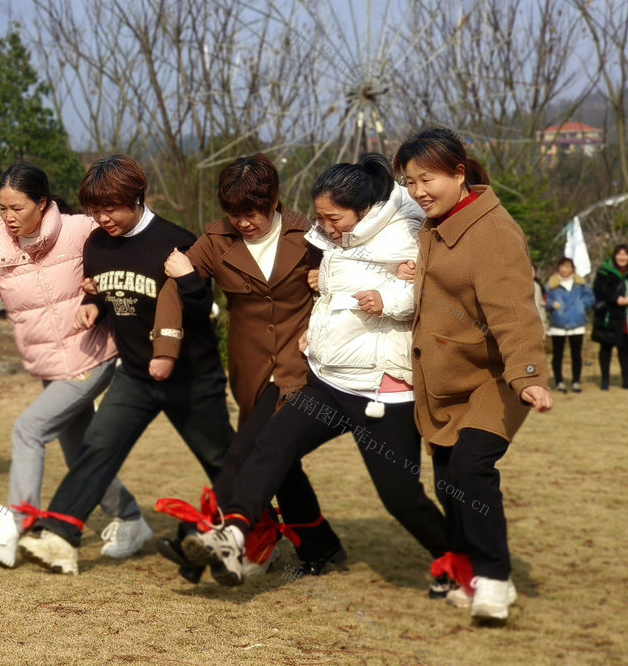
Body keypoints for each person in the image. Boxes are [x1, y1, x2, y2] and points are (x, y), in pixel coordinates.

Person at [176, 154, 450, 591]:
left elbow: (435, 294)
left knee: (400, 497)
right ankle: (235, 532)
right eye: (319, 214)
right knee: (270, 447)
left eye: (332, 216)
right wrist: (317, 317)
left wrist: (394, 297)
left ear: (364, 212)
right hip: (328, 380)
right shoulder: (333, 240)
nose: (322, 224)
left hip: (382, 390)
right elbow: (333, 291)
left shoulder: (409, 238)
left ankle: (457, 560)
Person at [16, 154, 233, 575]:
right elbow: (107, 289)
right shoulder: (96, 244)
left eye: (111, 207)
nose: (102, 218)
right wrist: (92, 304)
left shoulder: (176, 241)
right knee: (98, 446)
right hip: (134, 374)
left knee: (221, 458)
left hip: (192, 377)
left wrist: (188, 278)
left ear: (137, 198)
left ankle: (258, 534)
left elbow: (204, 306)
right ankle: (60, 536)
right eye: (94, 209)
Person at [0, 163, 151, 567]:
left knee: (28, 430)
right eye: (2, 209)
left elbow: (128, 252)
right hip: (50, 367)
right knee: (80, 453)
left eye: (17, 207)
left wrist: (102, 295)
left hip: (92, 355)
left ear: (43, 203)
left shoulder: (80, 230)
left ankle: (15, 522)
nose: (9, 217)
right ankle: (130, 517)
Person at [155, 153, 344, 582]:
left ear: (274, 199)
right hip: (250, 369)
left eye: (253, 212)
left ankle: (206, 539)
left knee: (247, 454)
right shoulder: (215, 240)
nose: (244, 222)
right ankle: (319, 544)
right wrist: (166, 346)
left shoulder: (312, 236)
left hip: (302, 367)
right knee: (279, 459)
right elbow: (173, 289)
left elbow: (345, 280)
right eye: (235, 213)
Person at [393, 127, 552, 622]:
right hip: (446, 379)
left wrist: (527, 374)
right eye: (410, 182)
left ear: (459, 173)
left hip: (495, 378)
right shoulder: (435, 226)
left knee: (470, 471)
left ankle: (495, 580)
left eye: (428, 179)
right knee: (448, 481)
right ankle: (466, 571)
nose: (419, 192)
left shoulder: (493, 231)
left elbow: (513, 311)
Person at [591, 244, 628, 391]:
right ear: (614, 256)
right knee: (606, 348)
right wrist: (615, 300)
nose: (622, 258)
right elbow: (598, 291)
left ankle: (626, 380)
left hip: (626, 318)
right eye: (619, 254)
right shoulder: (604, 272)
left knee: (624, 350)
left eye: (625, 255)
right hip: (608, 316)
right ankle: (605, 380)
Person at [546, 257, 595, 393]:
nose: (564, 270)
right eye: (562, 266)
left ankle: (576, 382)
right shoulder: (552, 284)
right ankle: (559, 382)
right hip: (558, 324)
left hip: (577, 324)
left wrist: (581, 306)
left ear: (572, 269)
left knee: (576, 354)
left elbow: (590, 299)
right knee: (558, 355)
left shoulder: (580, 284)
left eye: (567, 267)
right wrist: (552, 305)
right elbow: (545, 301)